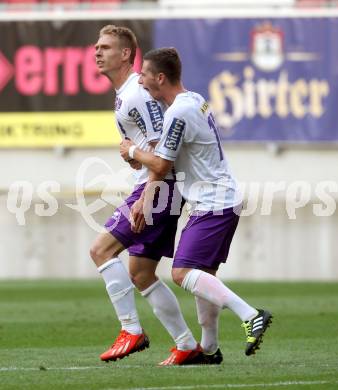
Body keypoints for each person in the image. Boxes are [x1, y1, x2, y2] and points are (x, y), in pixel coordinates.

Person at [120, 47, 273, 357]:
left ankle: (250, 315)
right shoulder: (193, 101)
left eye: (145, 75)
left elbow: (162, 166)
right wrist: (146, 185)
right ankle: (210, 349)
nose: (141, 81)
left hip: (213, 203)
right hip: (219, 199)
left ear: (160, 77)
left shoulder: (179, 111)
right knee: (203, 276)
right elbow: (167, 160)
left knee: (182, 273)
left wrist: (133, 151)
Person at [91, 26, 203, 366]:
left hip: (159, 187)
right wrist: (133, 153)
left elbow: (162, 148)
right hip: (160, 186)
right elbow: (151, 144)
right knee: (140, 272)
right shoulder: (127, 93)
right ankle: (187, 345)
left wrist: (146, 190)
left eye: (106, 47)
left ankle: (131, 331)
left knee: (101, 250)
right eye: (96, 47)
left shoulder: (137, 93)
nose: (97, 52)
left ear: (126, 54)